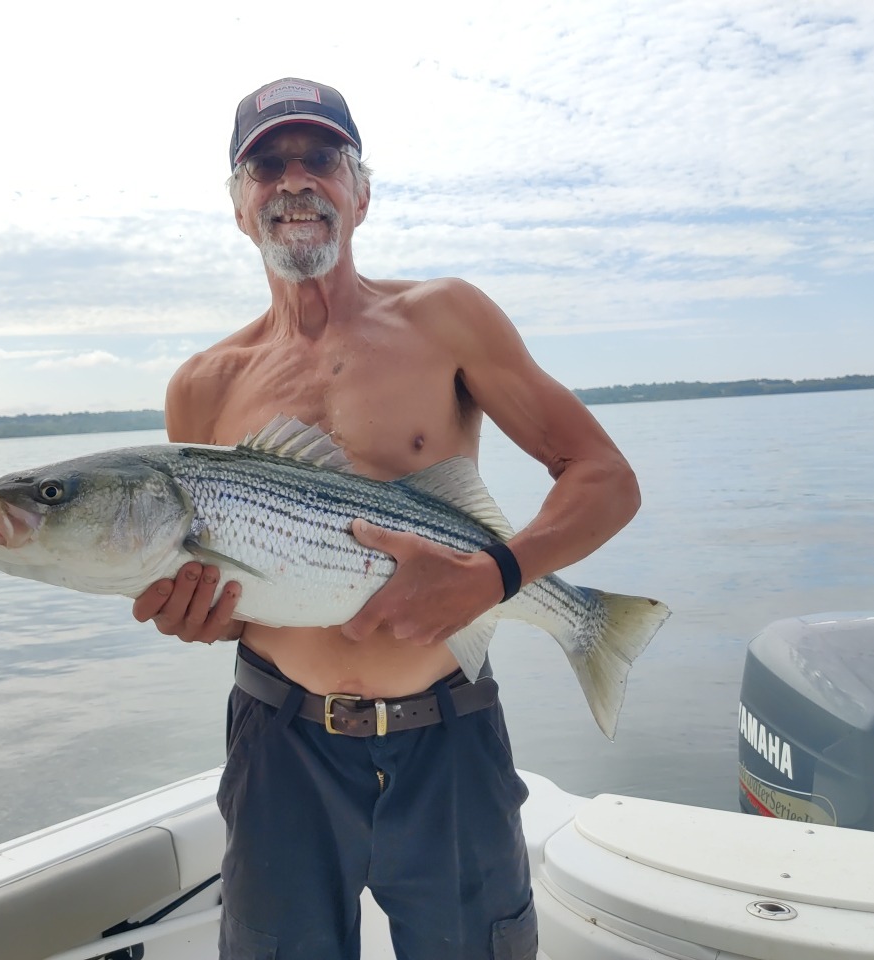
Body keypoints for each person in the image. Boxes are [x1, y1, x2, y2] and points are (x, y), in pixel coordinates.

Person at [132, 77, 641, 960]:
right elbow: (238, 592)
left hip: (448, 734)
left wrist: (493, 577)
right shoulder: (202, 385)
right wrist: (201, 619)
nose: (294, 180)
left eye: (320, 158)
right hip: (280, 745)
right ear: (239, 206)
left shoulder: (446, 319)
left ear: (360, 192)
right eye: (266, 165)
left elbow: (605, 476)